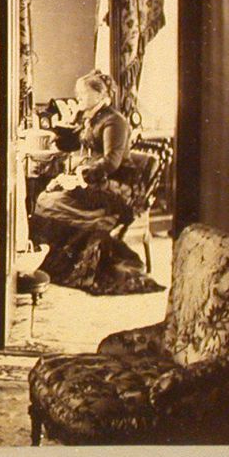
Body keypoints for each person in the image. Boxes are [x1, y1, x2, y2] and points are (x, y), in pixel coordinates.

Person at [29, 71, 162, 295]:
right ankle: (52, 262)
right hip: (94, 178)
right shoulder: (92, 117)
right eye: (78, 92)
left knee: (54, 201)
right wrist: (60, 132)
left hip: (116, 185)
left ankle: (76, 266)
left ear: (100, 95)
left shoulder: (114, 121)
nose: (77, 96)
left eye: (83, 92)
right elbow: (77, 143)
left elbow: (111, 162)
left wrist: (82, 174)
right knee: (46, 199)